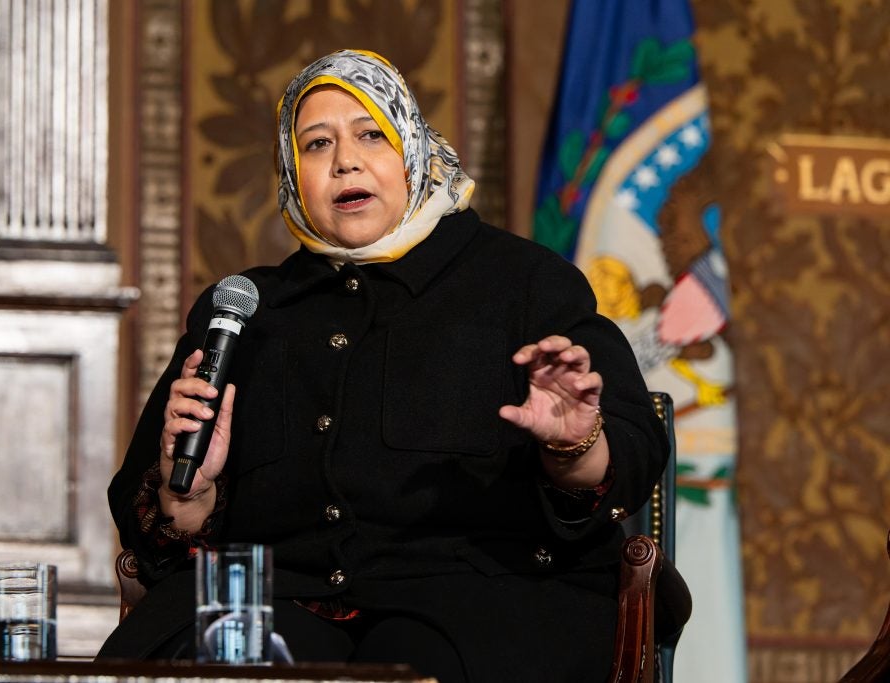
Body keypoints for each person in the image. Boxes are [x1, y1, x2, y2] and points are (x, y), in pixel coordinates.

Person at [99, 48, 669, 683]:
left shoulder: (525, 283)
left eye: (371, 133)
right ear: (293, 175)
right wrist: (193, 494)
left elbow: (633, 449)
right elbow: (150, 520)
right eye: (316, 144)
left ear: (414, 153)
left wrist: (574, 446)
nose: (345, 159)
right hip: (279, 603)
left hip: (478, 599)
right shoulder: (245, 308)